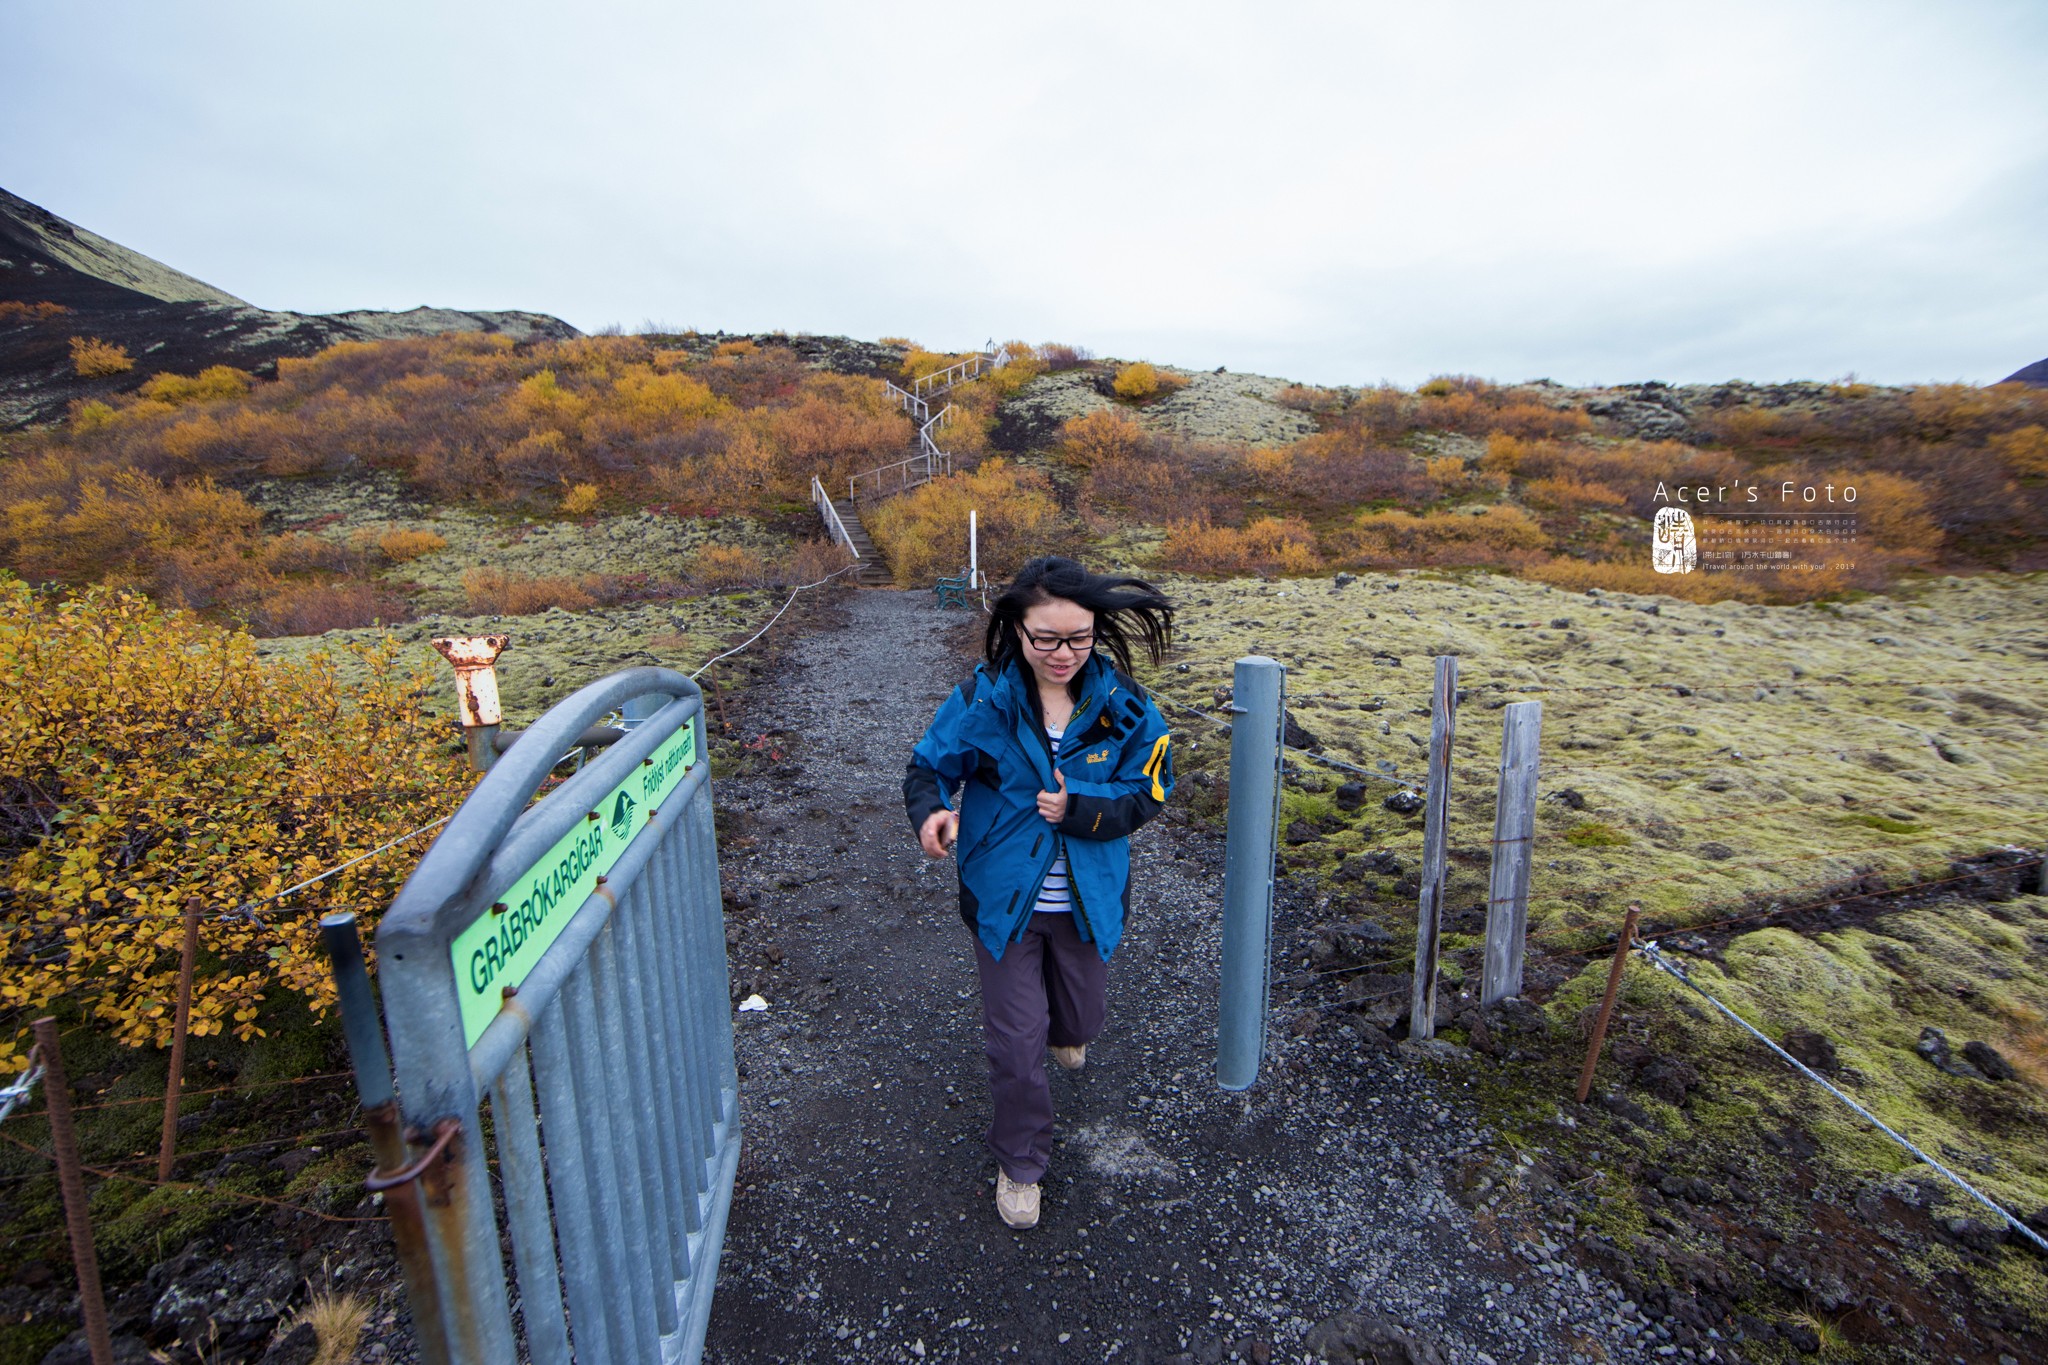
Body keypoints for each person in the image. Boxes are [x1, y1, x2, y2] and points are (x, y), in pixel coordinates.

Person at [903, 555, 1176, 1230]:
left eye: (1078, 637)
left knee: (1078, 1021)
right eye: (1046, 637)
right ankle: (1021, 1162)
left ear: (1096, 629)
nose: (1063, 653)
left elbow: (1153, 787)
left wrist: (1080, 807)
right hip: (1004, 907)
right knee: (1017, 1045)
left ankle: (1068, 1030)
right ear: (1016, 630)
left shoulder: (1125, 707)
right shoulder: (983, 700)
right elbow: (928, 765)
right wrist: (932, 812)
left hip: (1087, 904)